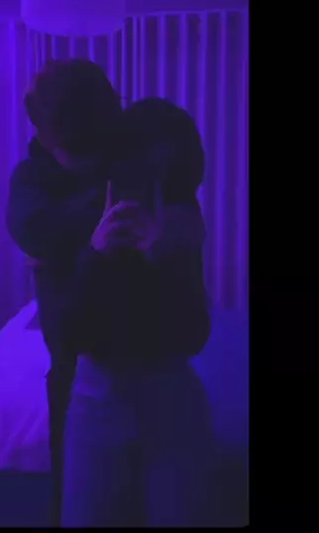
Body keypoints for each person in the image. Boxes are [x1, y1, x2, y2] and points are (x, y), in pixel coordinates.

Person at [60, 98, 214, 527]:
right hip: (97, 397)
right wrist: (95, 255)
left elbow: (195, 334)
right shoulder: (86, 211)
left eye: (163, 180)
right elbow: (68, 334)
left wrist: (161, 259)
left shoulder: (183, 222)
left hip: (172, 400)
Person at [6, 59, 123, 525]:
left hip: (138, 351)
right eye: (77, 148)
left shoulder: (121, 159)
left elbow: (46, 235)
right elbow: (35, 231)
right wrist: (101, 213)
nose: (90, 159)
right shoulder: (31, 177)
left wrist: (64, 243)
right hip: (74, 361)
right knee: (72, 493)